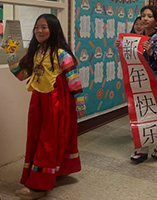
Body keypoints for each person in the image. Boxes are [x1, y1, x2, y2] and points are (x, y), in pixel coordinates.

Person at [5, 14, 86, 199]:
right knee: (36, 137)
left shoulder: (62, 54)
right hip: (38, 101)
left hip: (56, 103)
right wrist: (10, 54)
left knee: (47, 141)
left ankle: (39, 186)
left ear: (53, 29)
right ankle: (56, 172)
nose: (39, 31)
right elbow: (22, 74)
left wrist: (79, 102)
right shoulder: (36, 52)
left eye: (44, 27)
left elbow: (73, 79)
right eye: (37, 27)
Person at [130, 5, 157, 163]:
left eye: (149, 16)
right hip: (139, 82)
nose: (145, 19)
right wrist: (122, 46)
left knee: (155, 114)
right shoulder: (136, 38)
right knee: (142, 114)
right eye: (143, 16)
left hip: (156, 84)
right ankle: (143, 146)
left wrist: (151, 53)